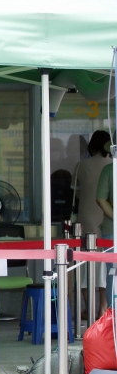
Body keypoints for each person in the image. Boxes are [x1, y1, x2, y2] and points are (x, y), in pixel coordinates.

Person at [73, 131, 110, 317]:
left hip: (86, 218)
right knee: (105, 264)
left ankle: (88, 306)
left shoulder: (81, 165)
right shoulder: (112, 165)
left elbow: (76, 193)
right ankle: (104, 306)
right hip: (107, 219)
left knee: (85, 263)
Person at [96, 143, 116, 311]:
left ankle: (114, 317)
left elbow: (101, 198)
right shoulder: (109, 169)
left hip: (111, 229)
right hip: (111, 229)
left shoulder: (109, 170)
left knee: (113, 274)